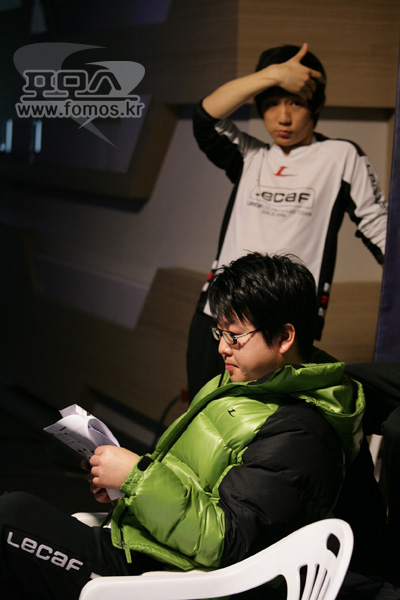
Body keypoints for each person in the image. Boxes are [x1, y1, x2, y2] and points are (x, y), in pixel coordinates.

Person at [0, 252, 383, 600]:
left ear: (284, 337)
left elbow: (226, 542)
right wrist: (125, 489)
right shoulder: (240, 383)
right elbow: (195, 484)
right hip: (149, 547)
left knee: (9, 520)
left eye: (235, 336)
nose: (222, 347)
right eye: (220, 333)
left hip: (170, 579)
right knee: (16, 511)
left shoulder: (300, 433)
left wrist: (136, 478)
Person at [187, 42, 388, 401]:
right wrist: (273, 76)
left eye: (295, 103)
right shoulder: (252, 156)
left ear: (316, 105)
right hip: (218, 318)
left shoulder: (342, 157)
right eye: (271, 104)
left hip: (280, 331)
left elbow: (380, 230)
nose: (283, 118)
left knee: (269, 427)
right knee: (202, 417)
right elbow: (205, 117)